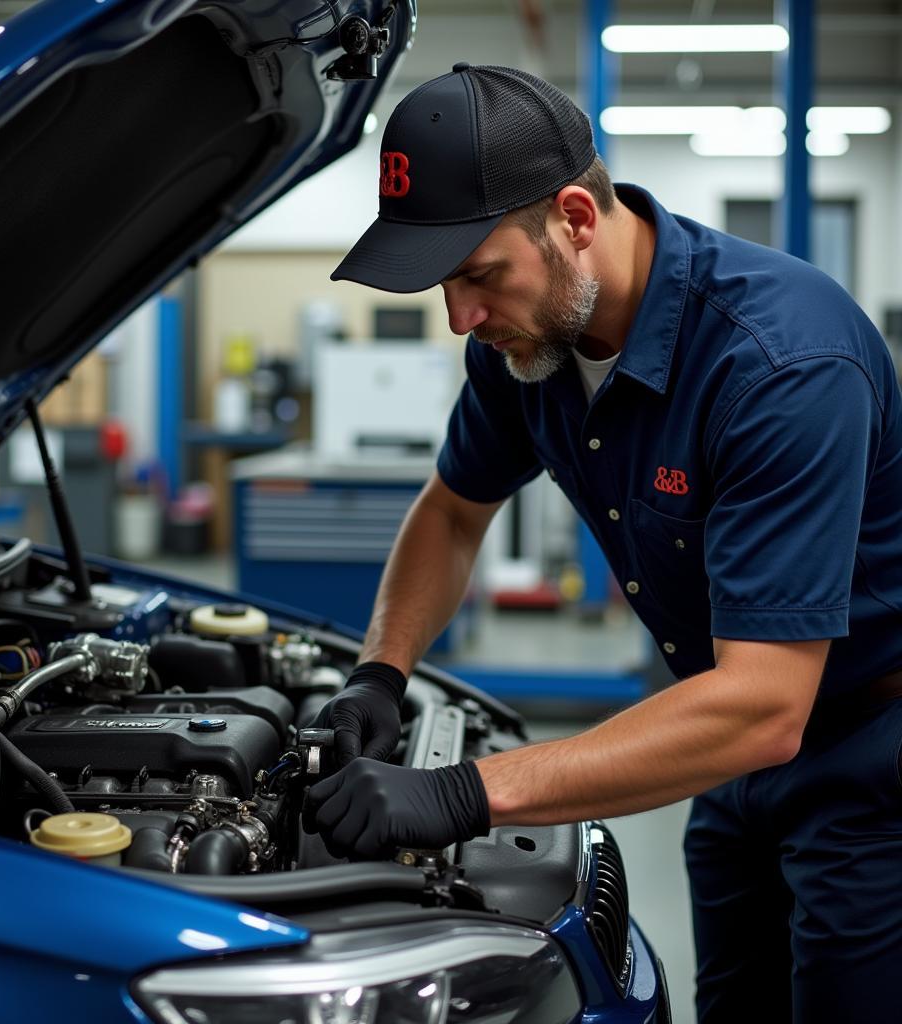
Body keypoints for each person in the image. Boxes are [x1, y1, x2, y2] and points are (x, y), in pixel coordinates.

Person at [303, 62, 902, 1022]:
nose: (461, 319)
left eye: (479, 276)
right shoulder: (526, 348)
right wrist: (380, 675)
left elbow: (765, 703)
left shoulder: (780, 365)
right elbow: (453, 510)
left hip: (869, 765)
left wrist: (463, 795)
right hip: (730, 757)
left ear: (576, 218)